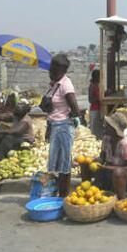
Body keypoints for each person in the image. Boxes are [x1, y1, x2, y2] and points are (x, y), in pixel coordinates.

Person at [46, 54, 80, 197]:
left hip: (63, 127)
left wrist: (65, 120)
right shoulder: (55, 84)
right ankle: (61, 194)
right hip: (55, 126)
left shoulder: (66, 84)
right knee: (58, 164)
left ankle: (64, 196)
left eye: (52, 67)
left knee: (64, 164)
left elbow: (75, 109)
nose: (49, 70)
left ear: (59, 69)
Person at [94, 112, 127, 199]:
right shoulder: (106, 139)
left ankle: (121, 201)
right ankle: (88, 194)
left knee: (118, 172)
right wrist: (93, 160)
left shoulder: (125, 143)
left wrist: (108, 168)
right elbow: (102, 158)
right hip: (109, 174)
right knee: (85, 164)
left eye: (108, 125)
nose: (105, 127)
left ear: (114, 129)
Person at [88, 70, 103, 138]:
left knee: (99, 129)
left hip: (99, 109)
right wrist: (99, 98)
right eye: (99, 76)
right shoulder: (92, 86)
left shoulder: (98, 85)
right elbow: (90, 100)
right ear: (96, 77)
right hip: (94, 110)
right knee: (94, 130)